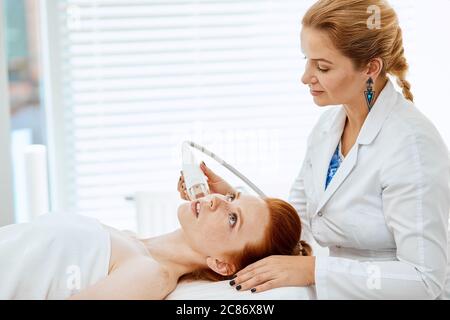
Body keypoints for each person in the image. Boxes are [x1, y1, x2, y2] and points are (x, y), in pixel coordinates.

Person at [178, 0, 450, 299]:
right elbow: (301, 222)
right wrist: (231, 203)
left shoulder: (412, 148)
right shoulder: (328, 127)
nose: (306, 77)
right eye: (307, 60)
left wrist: (313, 270)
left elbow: (425, 280)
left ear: (371, 68)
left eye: (322, 66)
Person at [0, 192, 310, 299]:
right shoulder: (134, 241)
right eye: (231, 197)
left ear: (221, 264)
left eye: (232, 219)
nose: (216, 200)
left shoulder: (152, 275)